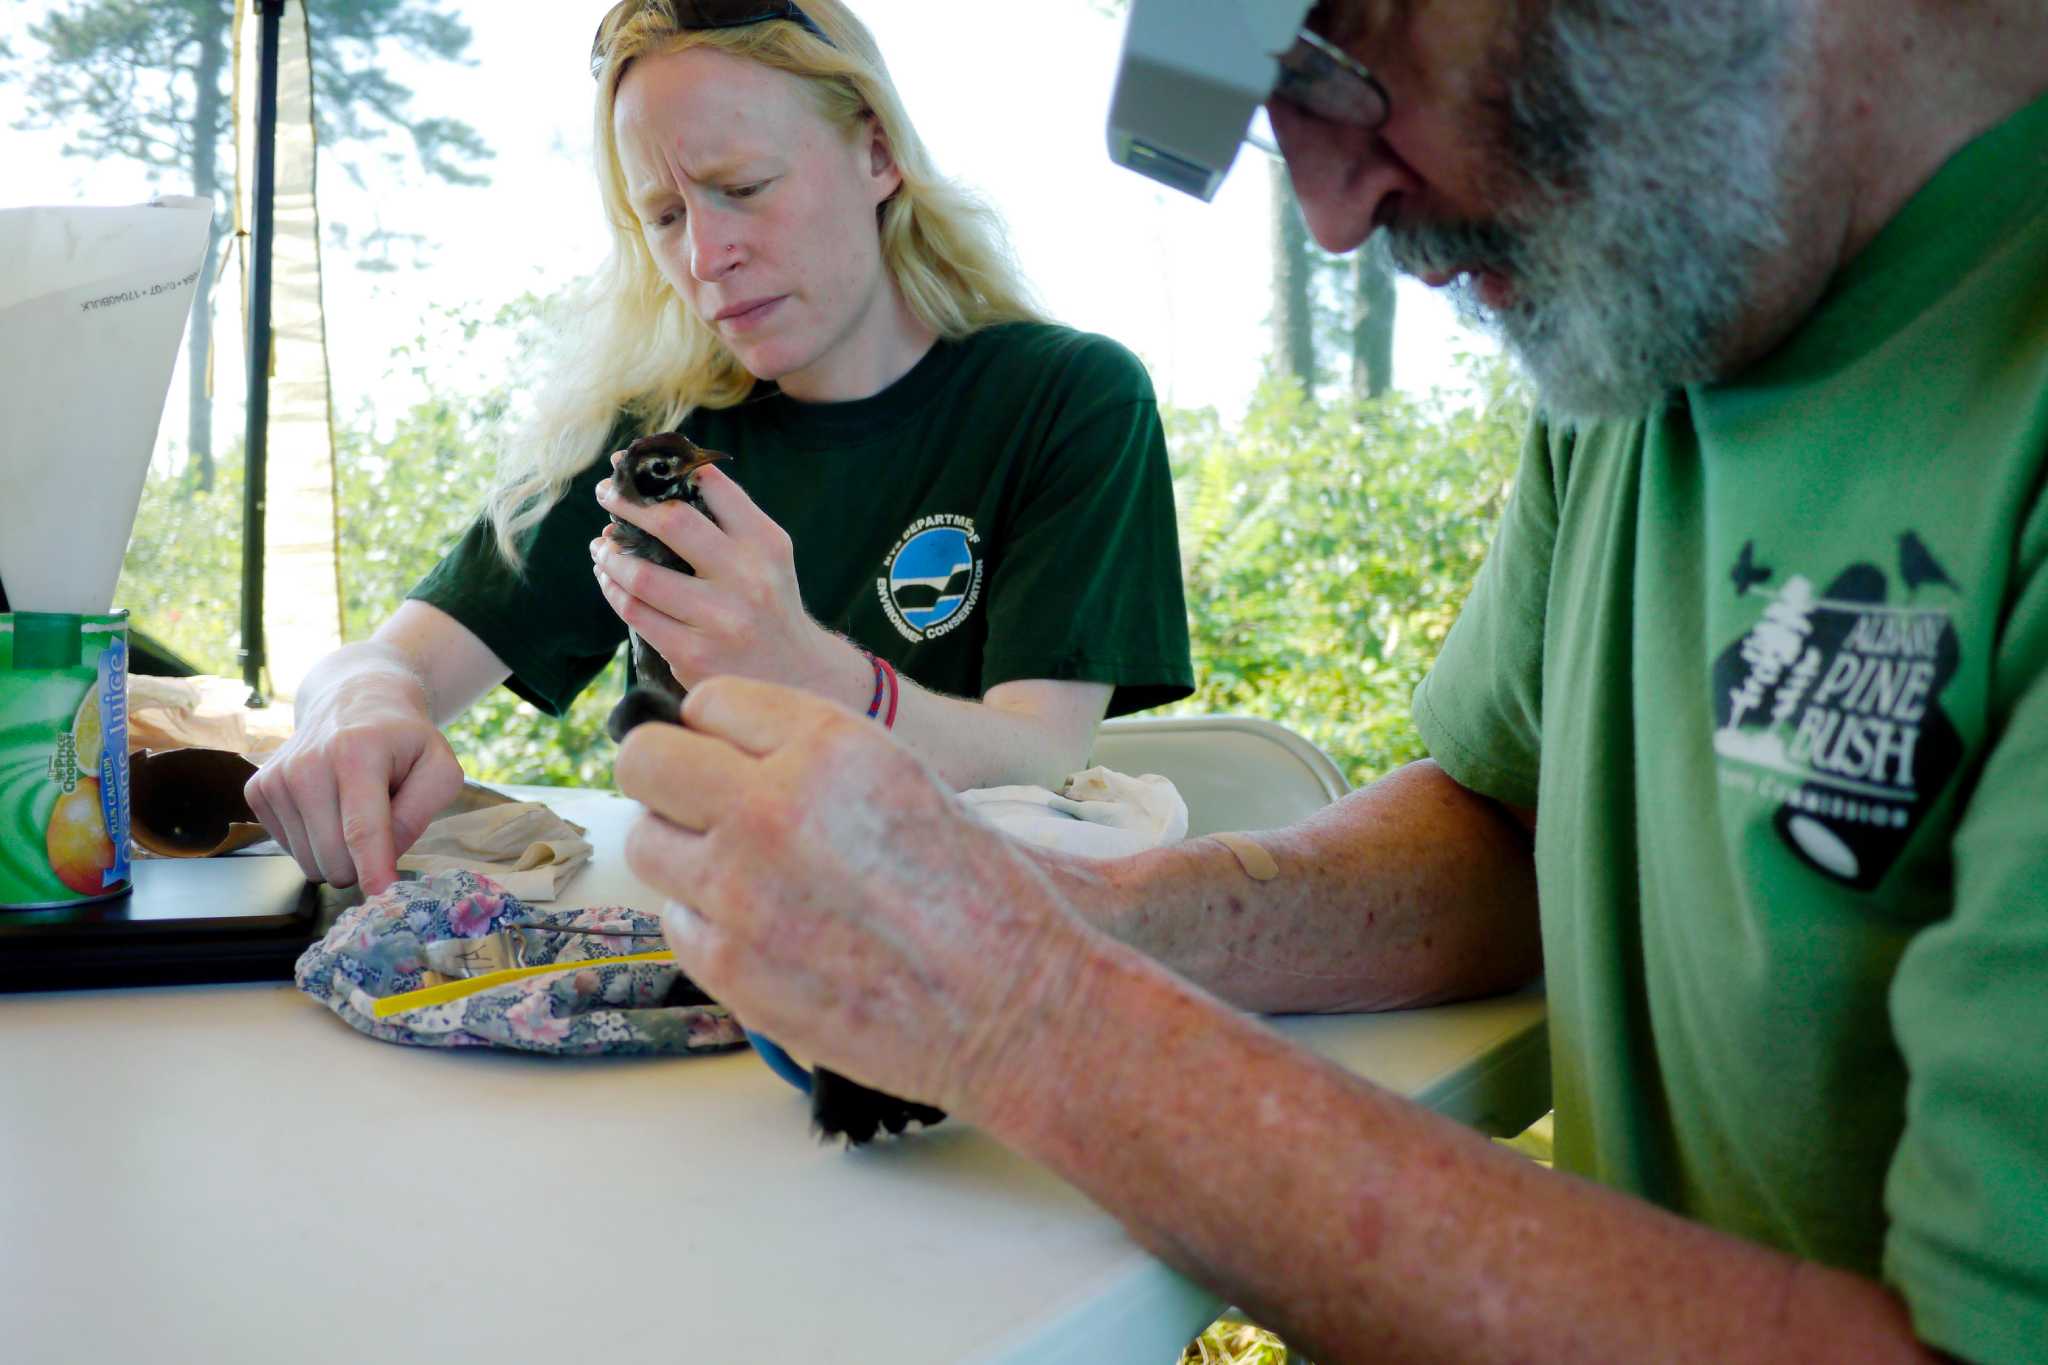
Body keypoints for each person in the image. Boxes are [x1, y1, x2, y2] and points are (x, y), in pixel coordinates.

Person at [613, 0, 2048, 1360]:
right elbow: (1507, 821)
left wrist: (1030, 1012)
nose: (1333, 212)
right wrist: (1081, 919)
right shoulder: (1658, 310)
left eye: (1336, 48)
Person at [247, 0, 1194, 894]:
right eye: (663, 214)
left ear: (876, 151)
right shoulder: (656, 441)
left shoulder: (1065, 398)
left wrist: (815, 677)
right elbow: (393, 661)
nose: (705, 255)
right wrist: (357, 703)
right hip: (701, 935)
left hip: (961, 947)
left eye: (742, 188)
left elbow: (1041, 754)